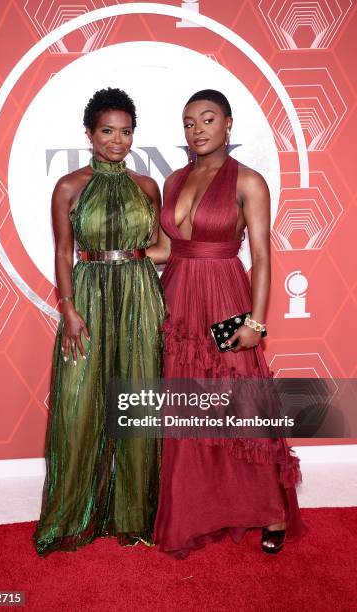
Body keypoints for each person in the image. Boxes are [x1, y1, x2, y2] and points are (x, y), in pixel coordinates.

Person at [147, 89, 307, 558]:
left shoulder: (249, 182)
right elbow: (164, 250)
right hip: (177, 300)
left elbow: (261, 255)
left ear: (229, 124)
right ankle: (197, 510)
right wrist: (114, 257)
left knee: (242, 404)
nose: (197, 130)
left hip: (224, 299)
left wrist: (257, 322)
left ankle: (271, 511)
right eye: (189, 122)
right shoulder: (173, 180)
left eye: (207, 119)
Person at [34, 88, 165, 556]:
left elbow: (163, 246)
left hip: (138, 295)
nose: (117, 141)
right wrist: (68, 307)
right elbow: (63, 251)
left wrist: (133, 264)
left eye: (126, 131)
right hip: (87, 295)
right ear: (88, 133)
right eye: (107, 131)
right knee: (80, 399)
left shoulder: (149, 187)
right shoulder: (69, 186)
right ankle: (75, 513)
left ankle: (132, 513)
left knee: (138, 395)